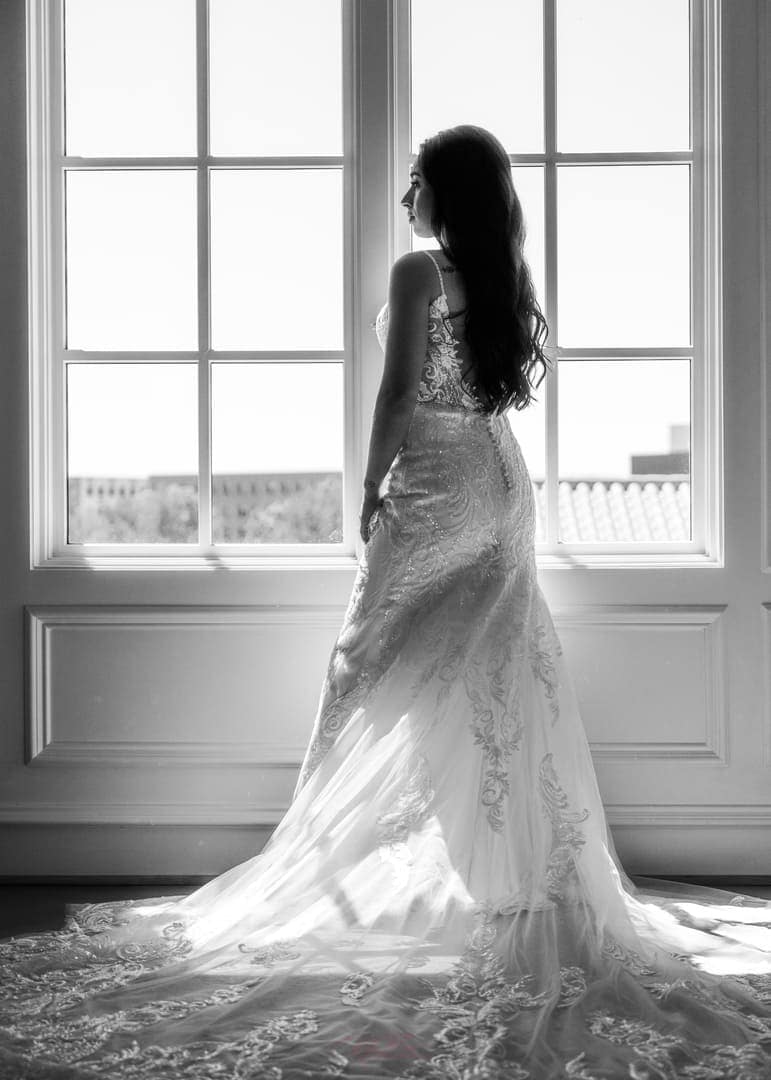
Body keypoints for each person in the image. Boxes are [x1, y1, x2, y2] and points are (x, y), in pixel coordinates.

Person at [2, 125, 771, 1080]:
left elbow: (399, 390)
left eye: (414, 179)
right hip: (502, 483)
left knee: (366, 665)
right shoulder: (500, 274)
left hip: (437, 484)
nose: (403, 193)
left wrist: (366, 485)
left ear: (442, 193)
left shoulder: (418, 272)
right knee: (492, 670)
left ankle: (334, 868)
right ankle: (512, 882)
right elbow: (488, 392)